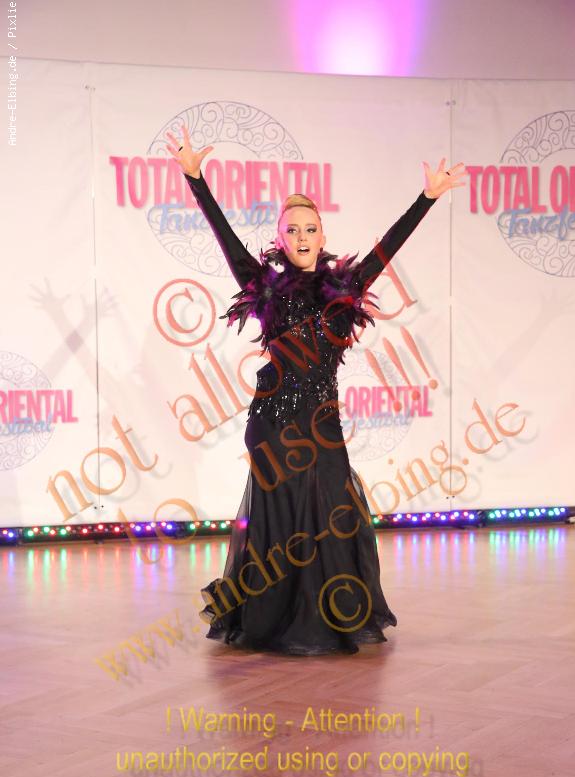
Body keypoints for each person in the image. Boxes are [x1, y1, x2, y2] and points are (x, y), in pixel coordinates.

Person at [166, 124, 466, 655]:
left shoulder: (345, 288)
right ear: (280, 240)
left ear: (322, 237)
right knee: (279, 519)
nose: (302, 237)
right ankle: (272, 618)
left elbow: (387, 249)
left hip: (323, 421)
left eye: (310, 228)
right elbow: (226, 239)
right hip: (272, 422)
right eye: (292, 230)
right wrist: (196, 179)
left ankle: (330, 617)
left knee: (331, 514)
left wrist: (427, 197)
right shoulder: (263, 286)